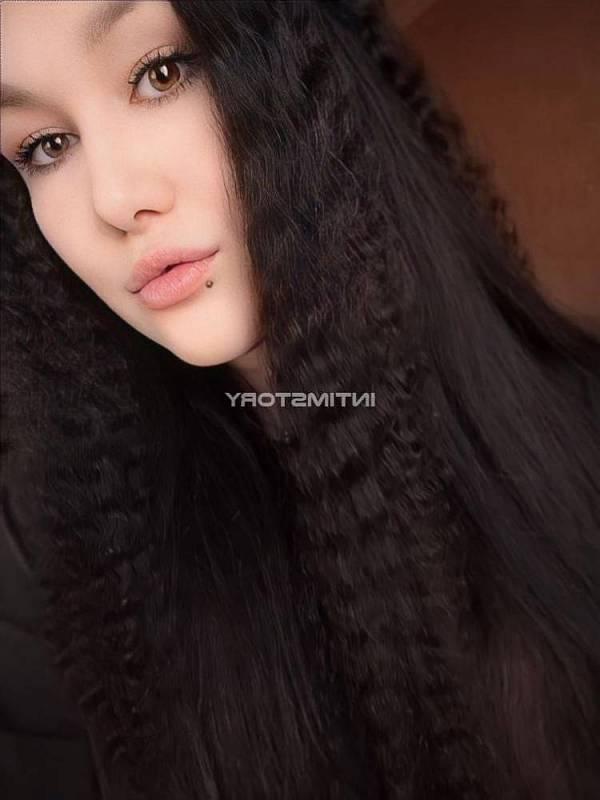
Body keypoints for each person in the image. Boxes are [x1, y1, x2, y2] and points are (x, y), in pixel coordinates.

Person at [1, 1, 598, 798]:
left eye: (162, 73)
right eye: (43, 146)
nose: (113, 199)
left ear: (313, 71)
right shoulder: (49, 569)